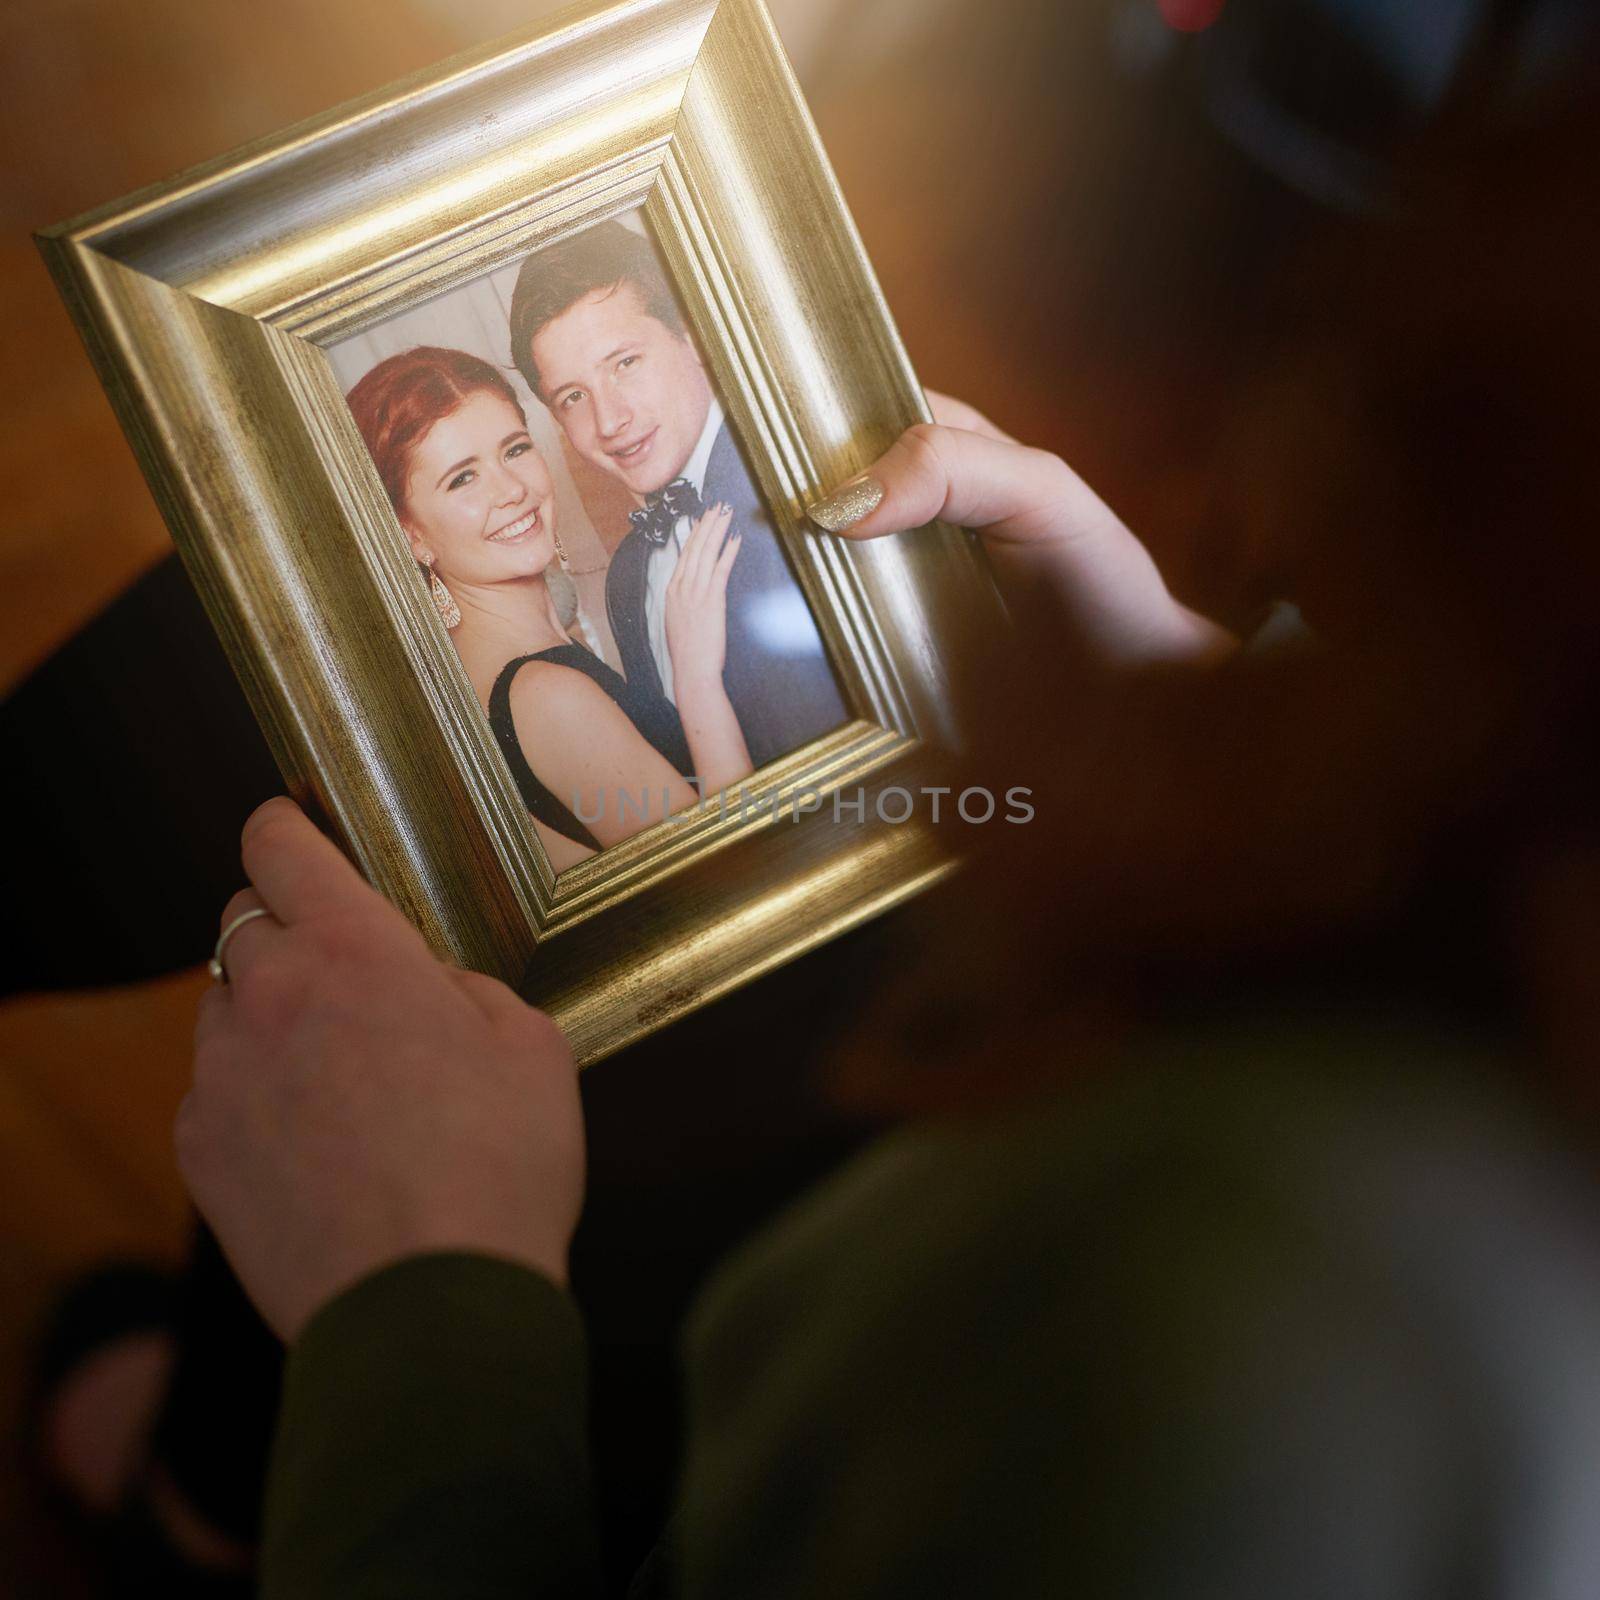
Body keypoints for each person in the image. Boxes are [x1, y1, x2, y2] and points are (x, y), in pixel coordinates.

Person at [344, 346, 751, 865]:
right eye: (462, 478)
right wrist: (697, 682)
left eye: (514, 450)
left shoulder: (497, 673)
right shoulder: (548, 697)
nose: (513, 489)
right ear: (410, 535)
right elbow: (728, 874)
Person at [507, 221, 848, 768]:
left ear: (692, 337)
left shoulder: (802, 479)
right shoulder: (627, 578)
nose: (610, 420)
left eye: (625, 363)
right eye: (573, 396)